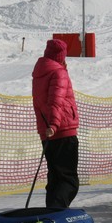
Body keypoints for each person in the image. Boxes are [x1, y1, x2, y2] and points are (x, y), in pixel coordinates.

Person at [32, 39, 80, 208]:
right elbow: (55, 102)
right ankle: (56, 213)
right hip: (62, 130)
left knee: (55, 178)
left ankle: (51, 213)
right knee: (69, 180)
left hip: (47, 133)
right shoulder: (58, 72)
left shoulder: (41, 71)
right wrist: (54, 125)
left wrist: (49, 127)